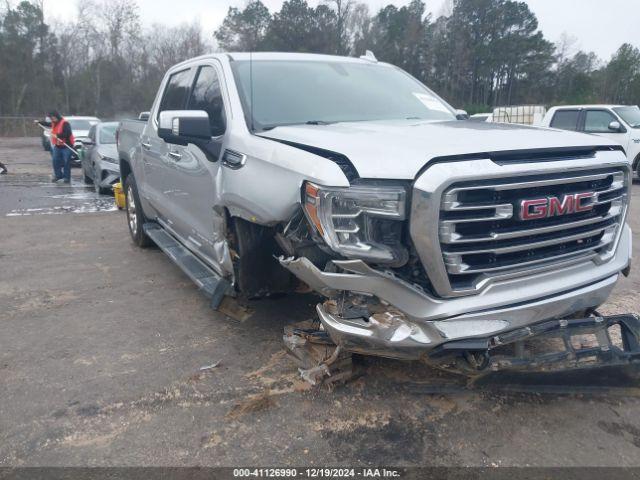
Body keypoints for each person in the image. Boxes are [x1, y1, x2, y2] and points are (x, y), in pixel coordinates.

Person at [35, 110, 75, 183]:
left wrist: (58, 135)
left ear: (56, 116)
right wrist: (39, 122)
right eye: (51, 118)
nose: (52, 119)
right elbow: (47, 124)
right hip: (58, 146)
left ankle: (67, 178)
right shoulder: (54, 123)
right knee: (55, 161)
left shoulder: (65, 123)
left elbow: (67, 133)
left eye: (52, 118)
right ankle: (58, 175)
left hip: (66, 146)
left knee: (66, 162)